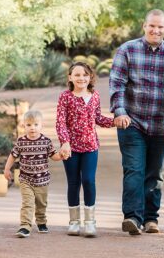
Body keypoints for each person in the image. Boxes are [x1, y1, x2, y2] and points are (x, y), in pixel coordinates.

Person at [109, 9, 164, 235]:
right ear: (144, 26)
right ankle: (132, 217)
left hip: (161, 124)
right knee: (134, 170)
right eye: (152, 26)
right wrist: (119, 112)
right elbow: (117, 84)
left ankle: (151, 219)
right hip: (132, 122)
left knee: (155, 174)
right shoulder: (127, 50)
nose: (156, 30)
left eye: (160, 27)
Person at [56, 61, 115, 237]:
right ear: (70, 78)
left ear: (90, 77)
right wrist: (64, 142)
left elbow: (97, 118)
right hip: (70, 148)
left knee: (89, 181)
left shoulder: (95, 96)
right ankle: (74, 222)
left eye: (84, 75)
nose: (81, 78)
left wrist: (115, 121)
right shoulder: (65, 97)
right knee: (73, 183)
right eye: (77, 75)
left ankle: (90, 222)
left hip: (91, 146)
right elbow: (60, 122)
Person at [4, 110, 63, 238]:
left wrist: (62, 155)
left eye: (36, 124)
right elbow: (12, 156)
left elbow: (54, 156)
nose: (32, 128)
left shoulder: (46, 141)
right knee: (27, 203)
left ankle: (41, 221)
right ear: (24, 126)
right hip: (26, 179)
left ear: (41, 125)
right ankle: (25, 226)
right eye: (29, 125)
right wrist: (7, 169)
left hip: (42, 180)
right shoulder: (21, 142)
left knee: (41, 203)